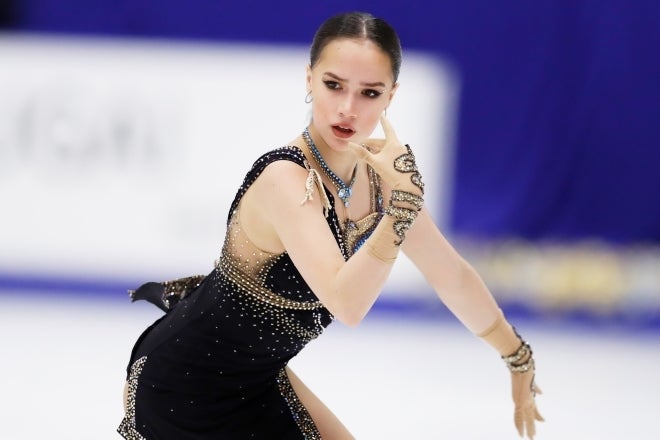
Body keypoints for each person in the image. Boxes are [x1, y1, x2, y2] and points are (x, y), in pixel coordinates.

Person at [118, 11, 544, 440]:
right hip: (182, 385)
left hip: (258, 381)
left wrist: (516, 355)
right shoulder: (284, 179)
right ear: (309, 79)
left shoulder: (381, 181)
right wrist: (399, 213)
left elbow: (450, 275)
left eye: (369, 93)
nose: (347, 108)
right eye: (333, 85)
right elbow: (347, 303)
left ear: (391, 97)